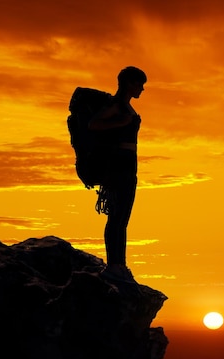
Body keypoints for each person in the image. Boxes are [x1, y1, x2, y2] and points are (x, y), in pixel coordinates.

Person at [88, 66, 146, 281]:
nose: (142, 89)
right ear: (129, 82)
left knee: (122, 218)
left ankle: (119, 264)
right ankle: (114, 265)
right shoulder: (116, 105)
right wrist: (119, 122)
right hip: (118, 165)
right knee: (116, 217)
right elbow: (93, 124)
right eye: (139, 84)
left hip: (129, 165)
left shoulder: (127, 107)